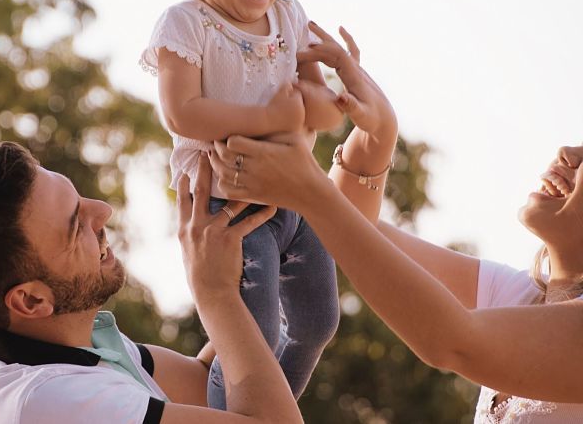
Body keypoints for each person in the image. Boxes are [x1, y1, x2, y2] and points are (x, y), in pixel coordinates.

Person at [209, 22, 583, 422]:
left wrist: (309, 190)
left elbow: (453, 341)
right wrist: (378, 131)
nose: (567, 152)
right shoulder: (520, 295)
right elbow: (354, 228)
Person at [0, 141, 304, 424]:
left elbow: (208, 385)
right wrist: (214, 292)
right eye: (74, 225)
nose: (102, 211)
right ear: (30, 301)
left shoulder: (65, 340)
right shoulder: (47, 402)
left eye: (79, 198)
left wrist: (276, 241)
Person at [140, 0, 343, 408]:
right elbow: (182, 111)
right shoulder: (186, 25)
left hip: (292, 199)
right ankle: (227, 417)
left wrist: (337, 92)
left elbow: (320, 111)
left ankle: (272, 413)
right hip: (225, 208)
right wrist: (266, 119)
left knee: (318, 321)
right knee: (251, 339)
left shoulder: (290, 17)